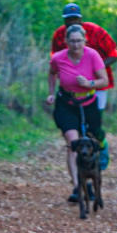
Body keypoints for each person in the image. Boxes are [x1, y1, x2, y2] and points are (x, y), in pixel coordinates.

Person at [46, 24, 109, 203]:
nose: (75, 45)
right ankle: (77, 186)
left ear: (85, 40)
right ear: (66, 42)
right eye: (72, 41)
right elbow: (51, 74)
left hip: (88, 103)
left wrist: (89, 83)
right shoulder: (58, 58)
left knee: (93, 137)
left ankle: (99, 160)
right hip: (66, 103)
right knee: (73, 142)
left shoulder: (92, 55)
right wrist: (51, 93)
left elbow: (103, 80)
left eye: (79, 41)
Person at [52, 2, 117, 117]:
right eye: (69, 19)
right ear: (64, 20)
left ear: (80, 19)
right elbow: (54, 60)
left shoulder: (95, 31)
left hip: (98, 81)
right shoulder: (59, 34)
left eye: (75, 19)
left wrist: (94, 69)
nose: (72, 22)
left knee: (96, 116)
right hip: (73, 85)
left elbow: (113, 55)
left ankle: (96, 134)